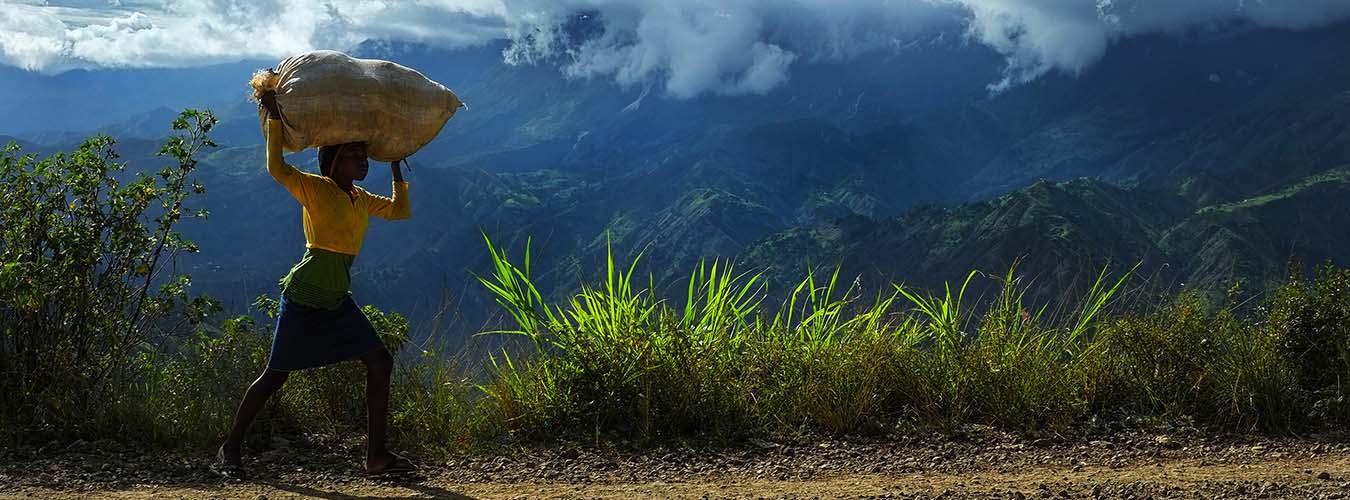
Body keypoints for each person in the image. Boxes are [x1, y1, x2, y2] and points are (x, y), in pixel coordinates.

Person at [215, 89, 415, 479]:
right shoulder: (315, 188)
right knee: (275, 375)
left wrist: (394, 167)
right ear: (335, 161)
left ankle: (376, 458)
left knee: (380, 361)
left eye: (363, 156)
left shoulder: (360, 198)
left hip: (337, 298)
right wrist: (274, 118)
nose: (362, 162)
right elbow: (276, 167)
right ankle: (231, 446)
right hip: (305, 296)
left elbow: (399, 211)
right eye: (355, 156)